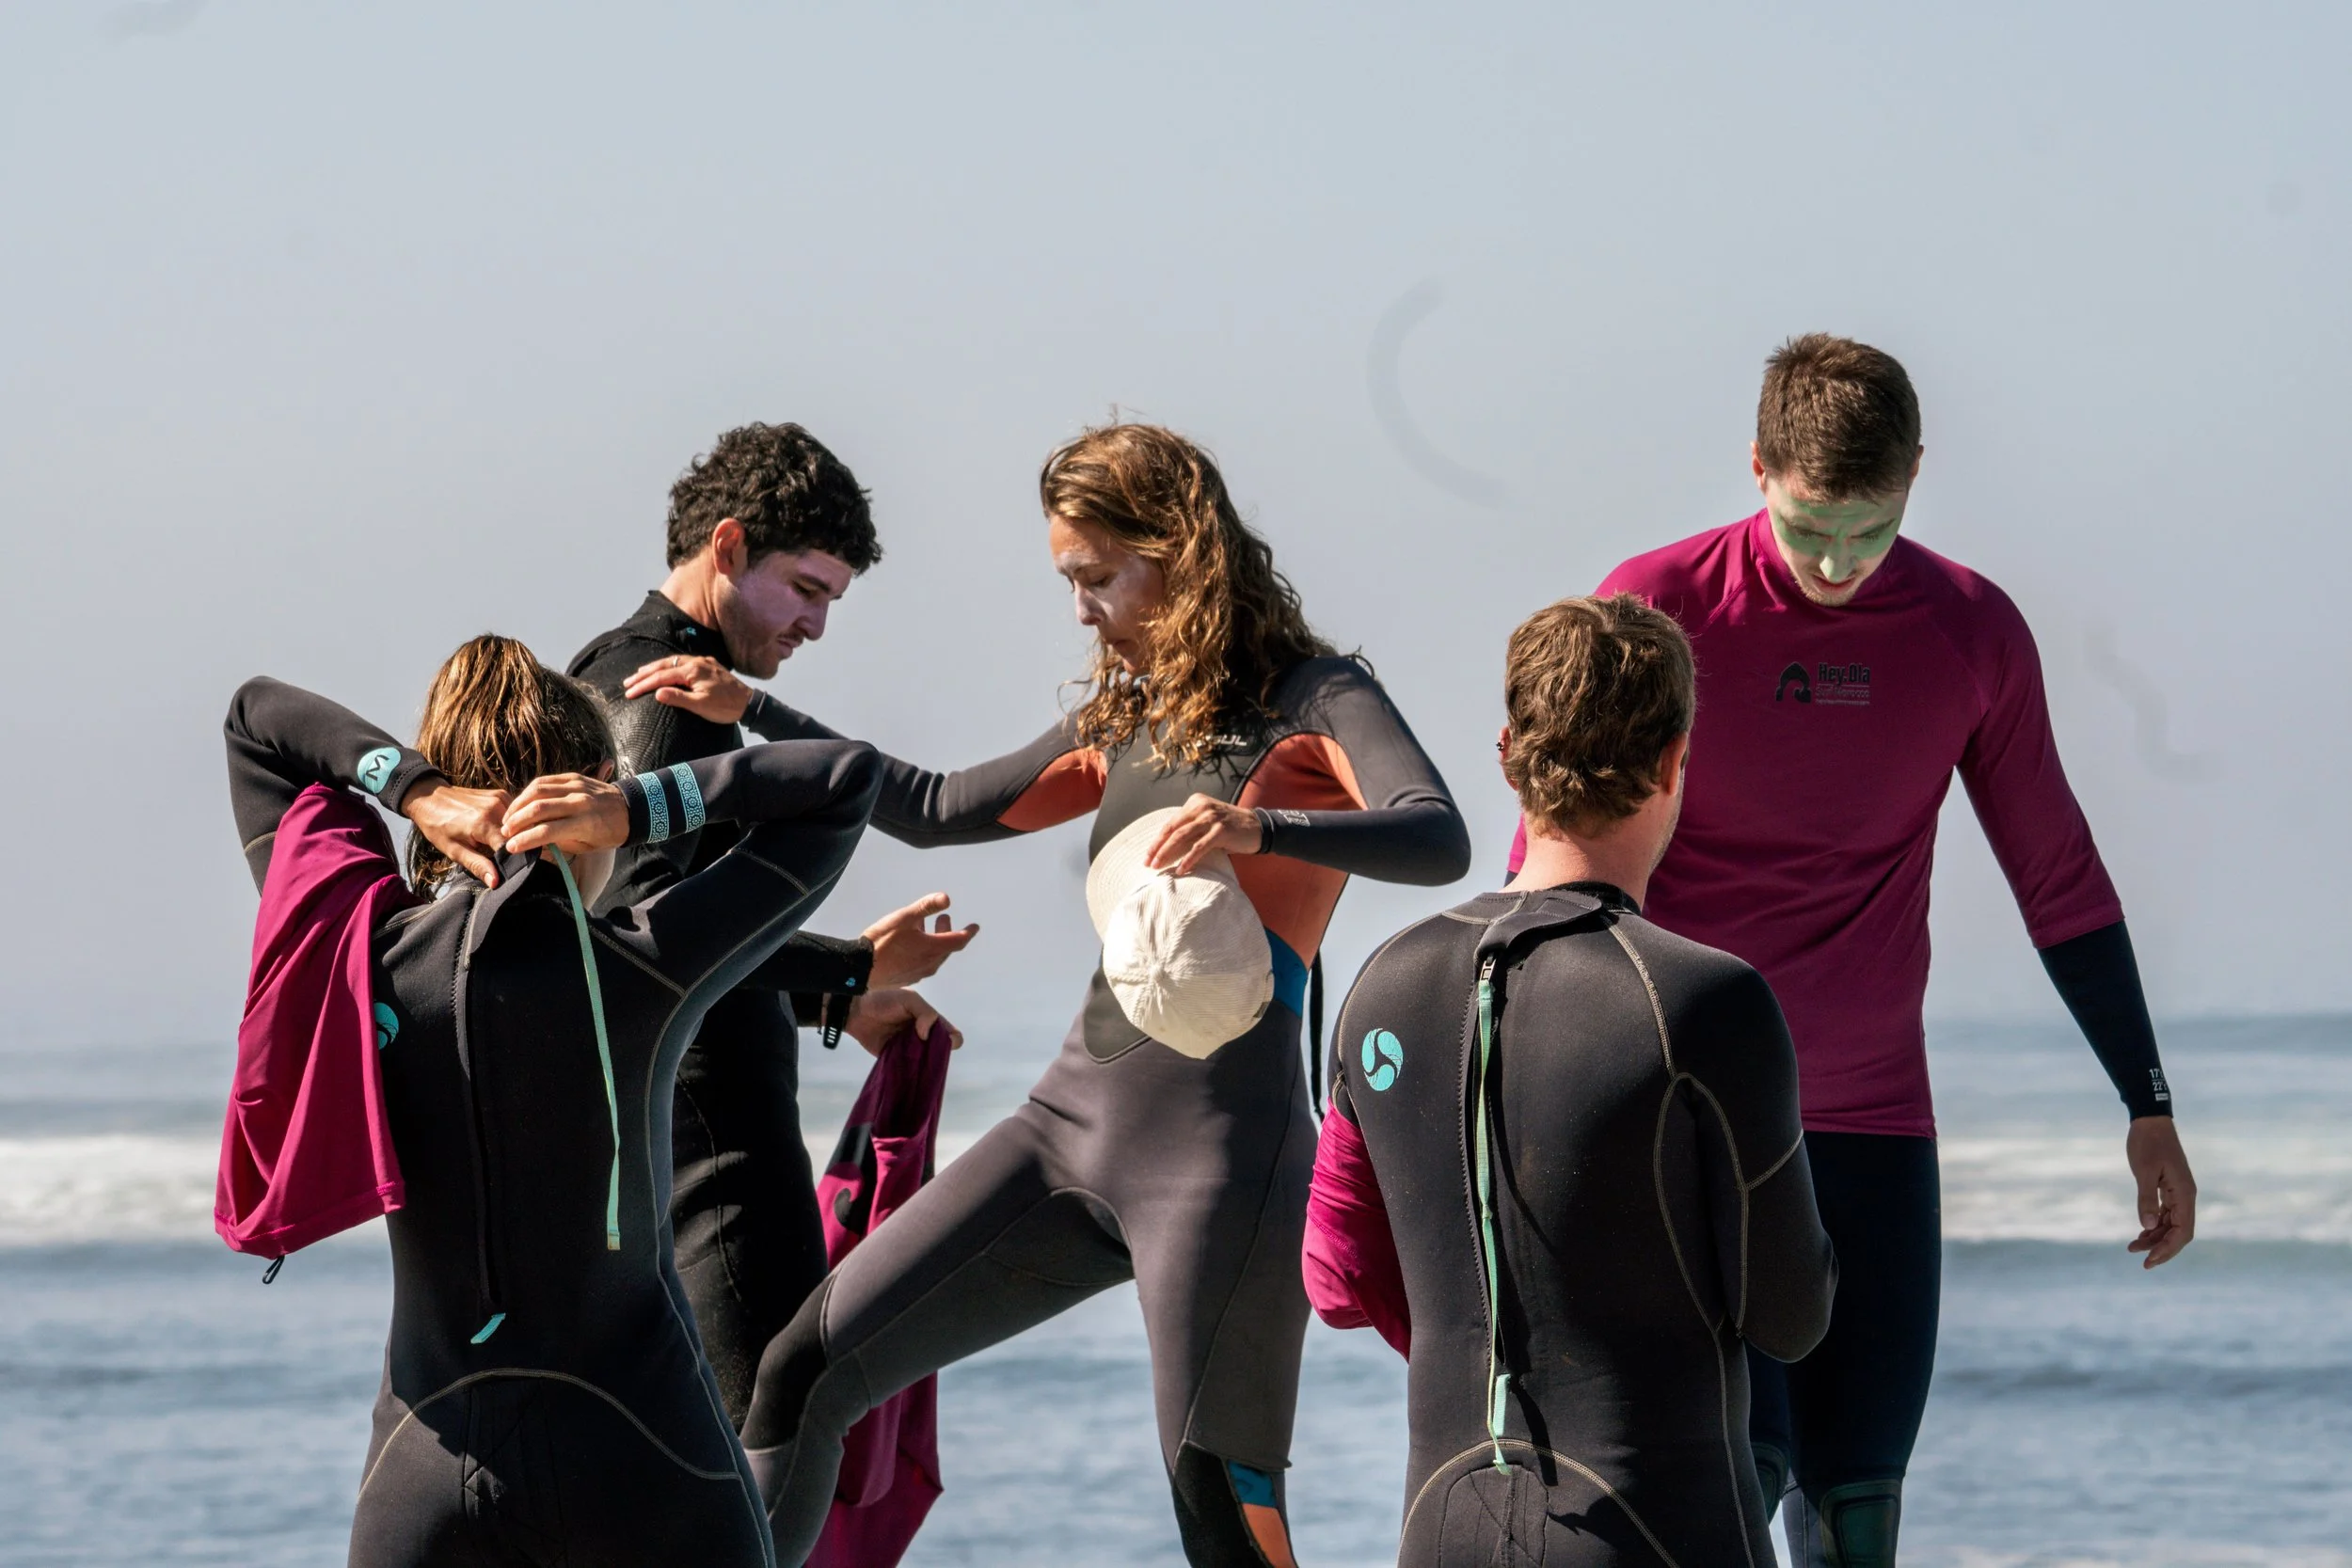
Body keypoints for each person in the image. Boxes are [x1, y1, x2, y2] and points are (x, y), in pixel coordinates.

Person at [631, 421, 1473, 1567]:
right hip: (1066, 1124)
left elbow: (1439, 834)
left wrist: (1260, 823)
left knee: (1218, 1507)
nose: (1080, 609)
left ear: (1176, 550)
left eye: (1094, 576)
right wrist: (757, 711)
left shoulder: (1314, 694)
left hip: (1223, 1158)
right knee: (803, 1367)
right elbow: (933, 802)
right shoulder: (1122, 714)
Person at [1507, 335, 2198, 1565]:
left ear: (1918, 478)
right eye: (1810, 527)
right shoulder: (1659, 605)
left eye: (1869, 531)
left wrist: (2146, 1101)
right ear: (1758, 467)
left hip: (1874, 1126)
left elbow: (2057, 869)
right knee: (1729, 1488)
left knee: (1857, 1516)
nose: (1836, 566)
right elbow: (1549, 859)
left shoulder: (1968, 631)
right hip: (1686, 1123)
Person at [223, 637, 883, 1567]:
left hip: (422, 1477)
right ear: (596, 788)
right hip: (643, 1459)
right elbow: (843, 780)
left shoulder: (356, 957)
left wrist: (408, 785)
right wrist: (640, 807)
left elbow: (256, 719)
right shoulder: (646, 961)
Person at [1306, 594, 1836, 1565]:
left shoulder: (1379, 983)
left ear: (1507, 753)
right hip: (1660, 1528)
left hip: (1443, 1524)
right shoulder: (1704, 1000)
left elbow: (1335, 1277)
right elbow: (1790, 1312)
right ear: (1676, 760)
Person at [568, 421, 977, 1425]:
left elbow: (685, 939)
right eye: (806, 589)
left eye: (831, 599)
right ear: (728, 545)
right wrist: (850, 964)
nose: (817, 626)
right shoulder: (662, 700)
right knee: (771, 1447)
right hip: (712, 1162)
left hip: (687, 1133)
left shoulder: (621, 668)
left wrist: (840, 995)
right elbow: (643, 933)